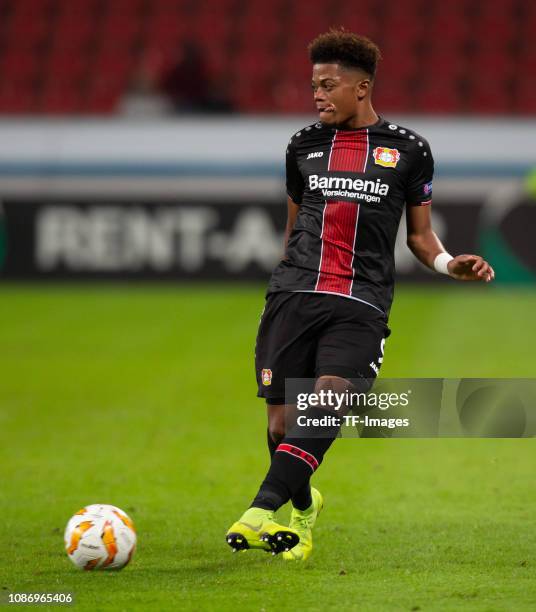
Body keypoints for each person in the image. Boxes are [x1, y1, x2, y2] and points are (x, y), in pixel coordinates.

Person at [225, 28, 494, 561]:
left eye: (328, 85)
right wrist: (284, 286)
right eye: (313, 86)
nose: (317, 95)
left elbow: (418, 236)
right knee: (281, 428)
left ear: (362, 87)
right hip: (294, 295)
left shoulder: (409, 150)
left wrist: (447, 262)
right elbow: (295, 226)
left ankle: (260, 509)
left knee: (328, 397)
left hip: (362, 302)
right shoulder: (302, 146)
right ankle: (304, 509)